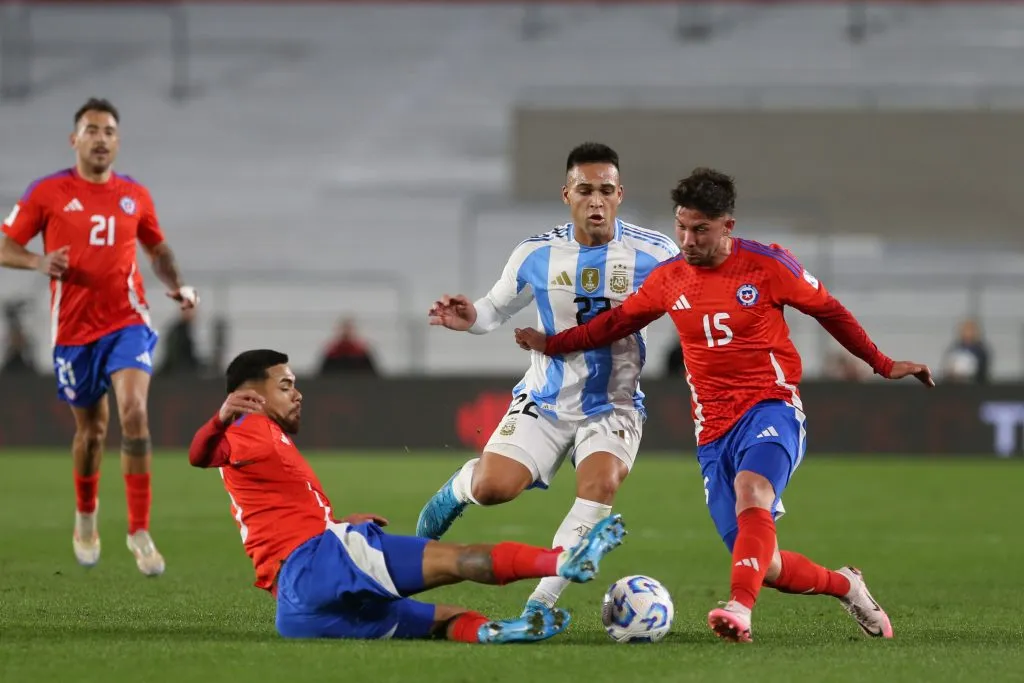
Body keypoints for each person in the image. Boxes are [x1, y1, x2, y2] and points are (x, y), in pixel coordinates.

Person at [514, 168, 935, 643]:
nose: (688, 240)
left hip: (770, 407)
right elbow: (613, 325)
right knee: (762, 562)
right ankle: (846, 585)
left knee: (752, 491)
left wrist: (882, 363)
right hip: (713, 430)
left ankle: (739, 608)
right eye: (681, 227)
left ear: (727, 226)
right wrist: (552, 344)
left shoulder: (769, 265)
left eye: (700, 230)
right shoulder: (669, 278)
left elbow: (830, 311)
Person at [187, 349, 626, 642]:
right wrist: (221, 418)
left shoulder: (260, 438)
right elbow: (202, 454)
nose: (297, 393)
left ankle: (500, 631)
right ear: (249, 395)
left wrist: (336, 526)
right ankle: (563, 562)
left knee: (441, 621)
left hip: (294, 606)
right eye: (285, 385)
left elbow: (276, 516)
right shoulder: (249, 428)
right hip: (319, 561)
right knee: (459, 559)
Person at [415, 142, 677, 615]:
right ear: (566, 194)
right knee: (495, 489)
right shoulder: (536, 253)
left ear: (620, 194)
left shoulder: (656, 252)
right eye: (585, 190)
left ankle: (539, 605)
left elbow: (692, 304)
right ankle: (458, 488)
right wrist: (469, 315)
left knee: (600, 486)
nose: (595, 200)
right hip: (547, 398)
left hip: (613, 402)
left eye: (605, 190)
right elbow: (494, 309)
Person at [0, 97, 199, 576]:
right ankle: (86, 517)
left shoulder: (135, 194)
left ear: (118, 140)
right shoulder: (47, 192)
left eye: (109, 130)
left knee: (133, 412)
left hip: (127, 320)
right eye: (92, 130)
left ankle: (139, 530)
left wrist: (176, 285)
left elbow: (157, 247)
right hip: (73, 332)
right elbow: (6, 245)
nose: (101, 138)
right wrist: (37, 262)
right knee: (91, 432)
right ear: (75, 139)